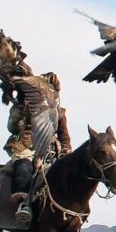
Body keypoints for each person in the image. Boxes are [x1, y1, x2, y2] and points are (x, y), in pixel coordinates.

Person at [7, 72, 73, 223]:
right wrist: (18, 114)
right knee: (23, 167)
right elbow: (12, 128)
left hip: (50, 150)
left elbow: (64, 135)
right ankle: (23, 205)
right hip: (25, 148)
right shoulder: (21, 107)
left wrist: (66, 149)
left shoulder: (59, 112)